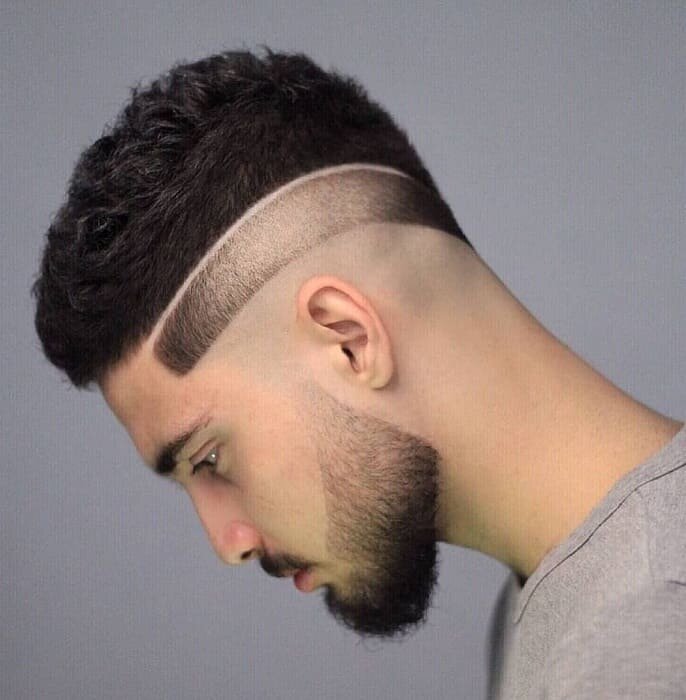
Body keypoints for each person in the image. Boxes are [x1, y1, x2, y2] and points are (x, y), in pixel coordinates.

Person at [33, 48, 685, 697]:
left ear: (348, 339)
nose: (227, 543)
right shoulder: (567, 601)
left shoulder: (641, 646)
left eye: (209, 460)